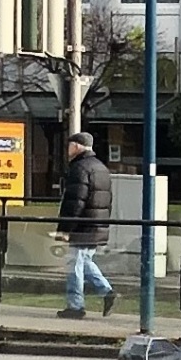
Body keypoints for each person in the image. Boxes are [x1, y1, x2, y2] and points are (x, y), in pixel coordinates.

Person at [58, 132, 115, 318]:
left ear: (76, 146)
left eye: (69, 146)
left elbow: (75, 201)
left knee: (74, 264)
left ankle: (76, 306)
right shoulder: (101, 167)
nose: (67, 150)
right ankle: (106, 291)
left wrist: (65, 228)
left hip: (82, 226)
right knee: (85, 261)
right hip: (96, 225)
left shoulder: (79, 168)